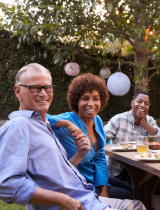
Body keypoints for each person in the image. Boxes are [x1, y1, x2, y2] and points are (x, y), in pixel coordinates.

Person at [0, 63, 145, 210]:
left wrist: (80, 154)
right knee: (135, 202)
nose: (43, 93)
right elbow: (6, 184)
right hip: (76, 200)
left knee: (135, 199)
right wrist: (61, 200)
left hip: (84, 195)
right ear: (18, 91)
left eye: (48, 87)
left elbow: (59, 174)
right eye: (35, 88)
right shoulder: (18, 126)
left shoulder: (43, 126)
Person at [47, 73, 133, 200]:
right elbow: (34, 115)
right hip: (78, 182)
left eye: (96, 98)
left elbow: (99, 158)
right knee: (127, 195)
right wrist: (68, 124)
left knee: (131, 190)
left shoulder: (97, 120)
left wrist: (104, 188)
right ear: (76, 100)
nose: (91, 104)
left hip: (94, 176)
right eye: (85, 98)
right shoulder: (67, 120)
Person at [104, 91, 160, 177]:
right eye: (139, 101)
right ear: (132, 103)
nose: (143, 105)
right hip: (116, 169)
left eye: (146, 103)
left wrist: (144, 123)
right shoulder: (119, 119)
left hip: (141, 169)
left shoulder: (149, 120)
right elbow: (101, 138)